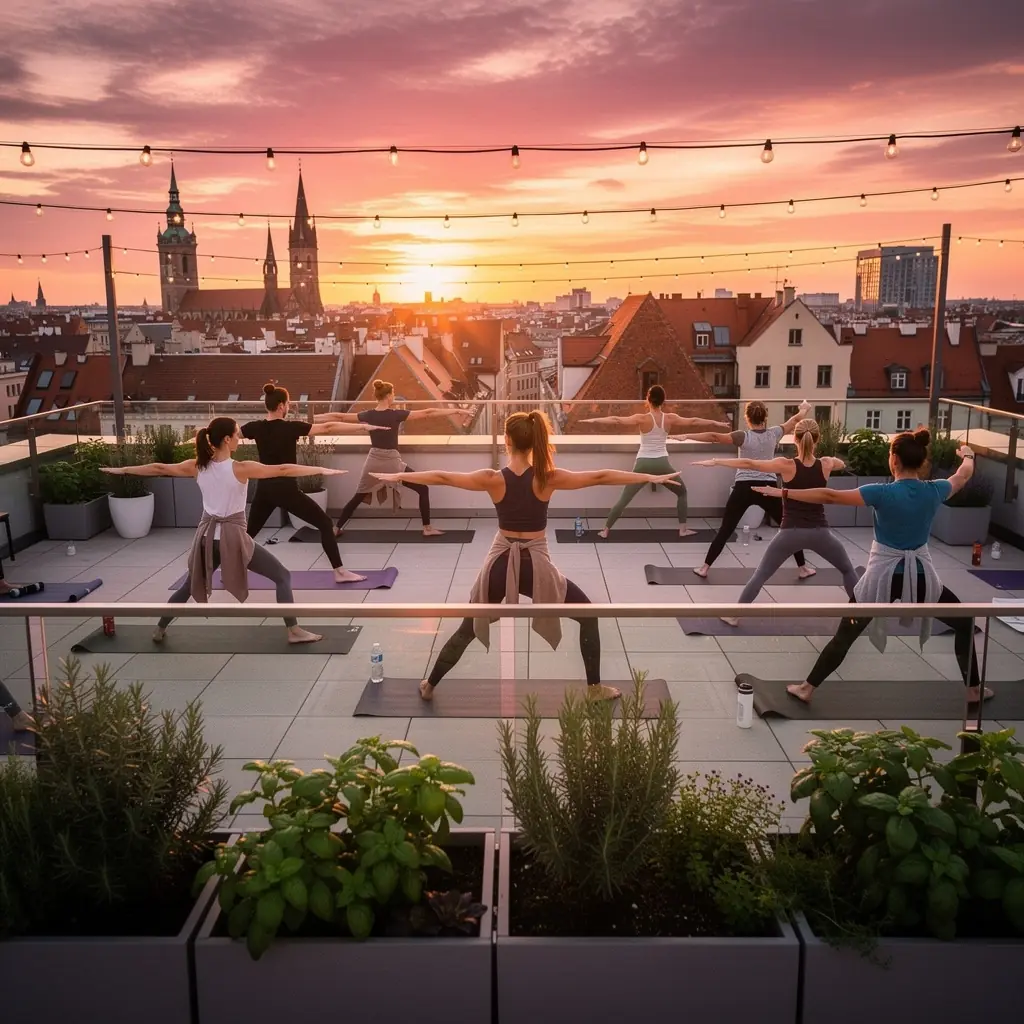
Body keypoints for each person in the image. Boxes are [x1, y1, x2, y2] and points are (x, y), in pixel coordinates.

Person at [372, 410, 682, 702]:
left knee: (468, 627)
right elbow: (600, 476)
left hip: (500, 563)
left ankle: (429, 685)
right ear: (533, 442)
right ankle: (594, 688)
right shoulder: (547, 477)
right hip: (536, 566)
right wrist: (647, 478)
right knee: (588, 615)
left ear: (507, 441)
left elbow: (442, 477)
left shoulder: (492, 478)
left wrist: (399, 476)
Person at [752, 430, 990, 705]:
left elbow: (830, 496)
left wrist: (783, 491)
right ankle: (973, 690)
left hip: (881, 578)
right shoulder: (935, 489)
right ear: (921, 460)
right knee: (964, 622)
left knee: (847, 633)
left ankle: (807, 688)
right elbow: (963, 475)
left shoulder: (882, 492)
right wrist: (969, 455)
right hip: (922, 575)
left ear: (894, 460)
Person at [103, 416, 346, 645]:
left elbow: (158, 468)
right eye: (237, 435)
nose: (240, 439)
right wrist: (321, 470)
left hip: (207, 537)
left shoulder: (197, 467)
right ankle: (293, 631)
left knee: (189, 586)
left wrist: (122, 470)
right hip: (233, 538)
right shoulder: (240, 468)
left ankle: (160, 629)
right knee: (282, 576)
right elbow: (282, 470)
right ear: (227, 440)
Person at [694, 418, 858, 626]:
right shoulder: (825, 464)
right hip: (820, 532)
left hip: (790, 533)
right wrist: (837, 462)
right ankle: (860, 614)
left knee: (761, 575)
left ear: (795, 440)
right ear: (816, 440)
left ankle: (734, 615)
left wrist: (717, 461)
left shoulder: (786, 465)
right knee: (847, 570)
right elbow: (840, 463)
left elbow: (750, 463)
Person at [242, 383, 386, 584]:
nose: (289, 407)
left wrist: (203, 437)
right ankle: (340, 572)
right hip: (286, 490)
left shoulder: (255, 427)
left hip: (264, 488)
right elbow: (327, 427)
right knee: (325, 524)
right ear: (282, 405)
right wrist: (363, 426)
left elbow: (228, 435)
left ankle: (227, 569)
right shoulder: (291, 427)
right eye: (289, 404)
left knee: (248, 534)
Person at [679, 399, 815, 579]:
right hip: (768, 487)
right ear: (765, 417)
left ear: (747, 418)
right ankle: (803, 568)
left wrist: (687, 435)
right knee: (788, 528)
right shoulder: (775, 433)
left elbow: (714, 437)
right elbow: (795, 420)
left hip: (743, 487)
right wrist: (804, 408)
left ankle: (704, 568)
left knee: (726, 529)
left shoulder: (742, 436)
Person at [321, 380, 474, 538]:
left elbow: (339, 417)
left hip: (373, 461)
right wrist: (456, 411)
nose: (394, 396)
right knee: (423, 489)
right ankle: (427, 528)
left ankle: (336, 528)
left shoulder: (368, 415)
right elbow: (428, 412)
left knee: (358, 496)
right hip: (392, 462)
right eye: (393, 394)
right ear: (388, 396)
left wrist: (316, 419)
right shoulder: (395, 415)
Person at [577, 385, 731, 538]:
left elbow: (616, 419)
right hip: (662, 464)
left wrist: (592, 419)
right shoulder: (670, 418)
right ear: (663, 401)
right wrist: (716, 423)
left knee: (624, 499)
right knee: (682, 493)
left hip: (643, 463)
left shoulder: (642, 418)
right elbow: (694, 421)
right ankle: (683, 530)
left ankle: (605, 531)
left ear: (647, 400)